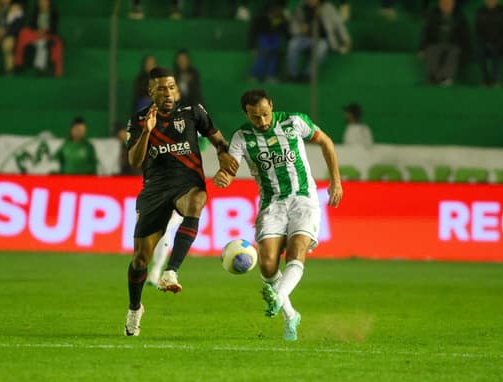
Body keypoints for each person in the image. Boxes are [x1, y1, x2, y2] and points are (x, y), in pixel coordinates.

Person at [212, 89, 343, 341]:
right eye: (255, 117)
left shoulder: (294, 122)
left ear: (271, 105)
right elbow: (231, 168)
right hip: (271, 204)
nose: (261, 121)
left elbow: (326, 141)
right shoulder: (242, 137)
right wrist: (223, 177)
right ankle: (291, 315)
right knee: (268, 264)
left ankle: (278, 297)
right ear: (246, 114)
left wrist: (336, 181)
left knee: (297, 250)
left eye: (264, 114)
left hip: (303, 198)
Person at [123, 67, 238, 337]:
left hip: (187, 184)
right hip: (155, 191)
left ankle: (171, 271)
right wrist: (147, 133)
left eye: (172, 87)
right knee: (140, 260)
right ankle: (134, 308)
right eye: (161, 88)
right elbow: (134, 161)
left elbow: (220, 141)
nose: (168, 93)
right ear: (150, 91)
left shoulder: (192, 112)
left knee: (198, 201)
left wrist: (223, 159)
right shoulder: (139, 120)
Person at [286, 0, 351, 82]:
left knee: (322, 47)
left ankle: (308, 75)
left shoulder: (328, 7)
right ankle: (293, 75)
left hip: (321, 39)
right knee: (292, 44)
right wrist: (300, 30)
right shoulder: (301, 7)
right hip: (305, 38)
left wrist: (346, 39)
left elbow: (338, 24)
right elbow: (294, 24)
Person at [418, 0, 471, 86]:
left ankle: (446, 77)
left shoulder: (460, 17)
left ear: (453, 4)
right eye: (444, 4)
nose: (446, 6)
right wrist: (421, 48)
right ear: (440, 4)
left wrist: (467, 50)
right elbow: (426, 33)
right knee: (432, 50)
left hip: (453, 45)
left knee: (453, 52)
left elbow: (465, 35)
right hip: (436, 44)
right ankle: (433, 77)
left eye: (448, 4)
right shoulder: (433, 16)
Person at [14, 0, 63, 76]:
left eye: (44, 1)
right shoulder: (35, 12)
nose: (42, 3)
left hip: (47, 35)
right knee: (24, 33)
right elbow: (32, 25)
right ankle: (19, 63)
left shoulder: (54, 14)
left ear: (49, 2)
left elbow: (54, 29)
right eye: (40, 1)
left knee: (42, 44)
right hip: (35, 35)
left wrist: (45, 32)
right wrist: (37, 31)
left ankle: (40, 68)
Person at [248, 1, 289, 83]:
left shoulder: (281, 18)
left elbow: (286, 31)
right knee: (263, 54)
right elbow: (253, 32)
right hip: (264, 38)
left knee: (274, 55)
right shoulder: (260, 17)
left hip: (275, 39)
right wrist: (252, 47)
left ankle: (270, 76)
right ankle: (254, 75)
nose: (278, 11)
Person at [475, 0, 503, 87]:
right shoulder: (480, 11)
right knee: (481, 52)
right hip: (485, 43)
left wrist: (498, 43)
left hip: (500, 44)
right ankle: (485, 80)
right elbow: (478, 31)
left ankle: (494, 80)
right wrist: (485, 43)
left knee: (495, 51)